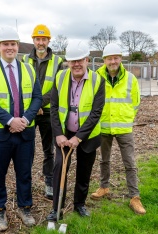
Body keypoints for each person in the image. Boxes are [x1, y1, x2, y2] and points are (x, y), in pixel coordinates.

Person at [0, 26, 42, 231]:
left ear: (18, 47)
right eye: (5, 44)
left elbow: (37, 98)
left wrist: (23, 119)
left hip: (25, 132)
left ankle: (25, 208)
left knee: (24, 173)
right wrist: (9, 120)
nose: (10, 48)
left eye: (13, 44)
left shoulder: (29, 69)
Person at [46, 41, 105, 221]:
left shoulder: (97, 80)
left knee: (84, 170)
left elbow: (96, 113)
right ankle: (57, 208)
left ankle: (80, 204)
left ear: (87, 60)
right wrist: (59, 134)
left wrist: (79, 137)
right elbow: (54, 107)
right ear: (67, 62)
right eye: (72, 61)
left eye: (80, 60)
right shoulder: (61, 77)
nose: (76, 64)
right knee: (59, 168)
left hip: (87, 135)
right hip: (64, 132)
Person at [90, 43, 146, 215]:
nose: (113, 61)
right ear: (104, 60)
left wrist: (127, 119)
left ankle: (134, 197)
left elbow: (135, 103)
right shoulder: (95, 77)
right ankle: (104, 187)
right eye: (109, 58)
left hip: (123, 127)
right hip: (104, 126)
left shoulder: (131, 79)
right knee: (104, 160)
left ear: (120, 59)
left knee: (129, 163)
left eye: (116, 58)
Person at [22, 24, 63, 200]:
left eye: (43, 39)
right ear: (33, 40)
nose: (40, 42)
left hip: (47, 112)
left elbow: (58, 86)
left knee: (48, 150)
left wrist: (40, 103)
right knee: (26, 150)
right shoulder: (24, 60)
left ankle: (49, 182)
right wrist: (33, 106)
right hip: (29, 112)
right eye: (38, 39)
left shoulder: (58, 62)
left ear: (48, 41)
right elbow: (20, 85)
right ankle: (25, 183)